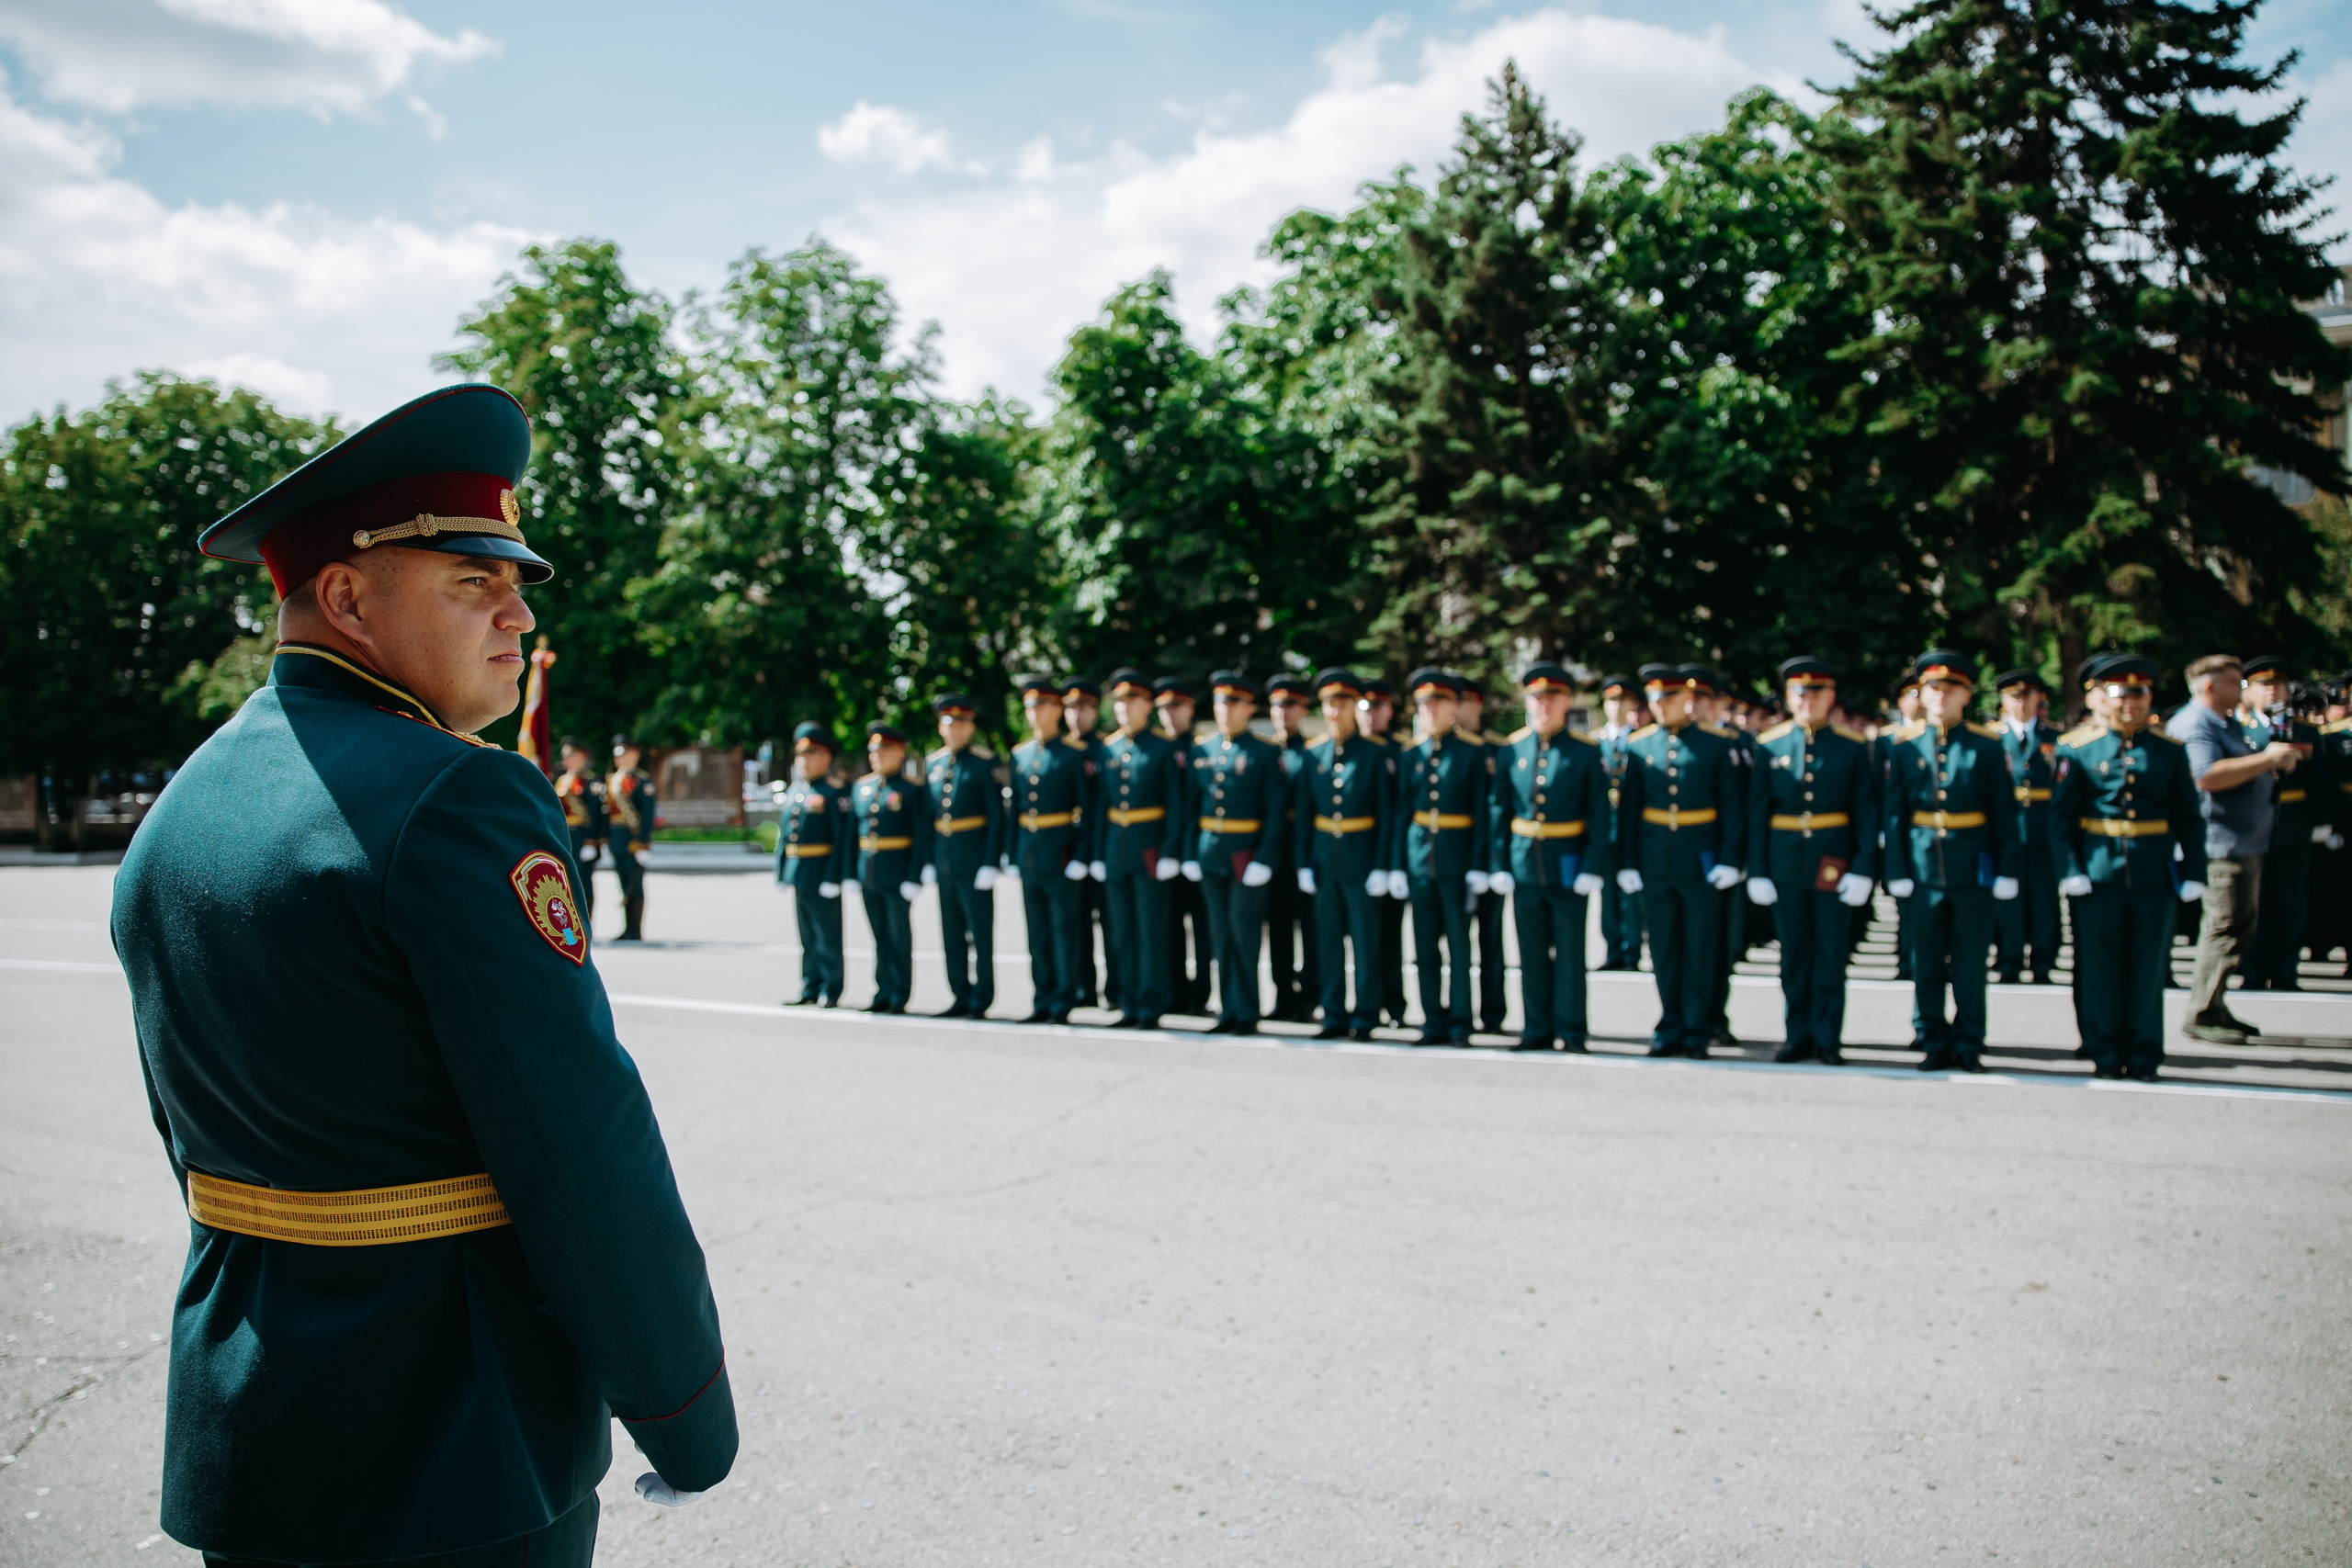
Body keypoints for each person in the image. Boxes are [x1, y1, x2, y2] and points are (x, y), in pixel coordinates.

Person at [116, 382, 734, 1567]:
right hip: (454, 1435)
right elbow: (577, 1142)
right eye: (470, 581)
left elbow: (192, 1131)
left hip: (247, 1428)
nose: (519, 615)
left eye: (516, 585)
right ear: (346, 597)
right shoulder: (456, 796)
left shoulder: (184, 806)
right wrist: (683, 1408)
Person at [2055, 656, 2206, 1077]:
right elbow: (2062, 818)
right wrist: (2070, 868)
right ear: (2103, 698)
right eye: (2121, 694)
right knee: (2099, 968)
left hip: (2153, 872)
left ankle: (2143, 1053)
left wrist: (2195, 871)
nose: (2131, 703)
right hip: (2098, 873)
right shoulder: (2077, 748)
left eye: (2139, 694)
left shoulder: (2169, 750)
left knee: (2148, 968)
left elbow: (2188, 817)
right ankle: (2104, 1051)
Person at [1881, 650, 2020, 1072]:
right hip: (1922, 868)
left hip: (1972, 869)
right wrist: (1896, 869)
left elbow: (2004, 813)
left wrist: (2007, 869)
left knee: (1970, 961)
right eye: (1933, 688)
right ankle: (1931, 1037)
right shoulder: (1904, 746)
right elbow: (1894, 814)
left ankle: (1969, 1040)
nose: (1941, 696)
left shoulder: (1987, 745)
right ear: (1922, 694)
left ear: (1966, 695)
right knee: (1925, 960)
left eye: (1951, 689)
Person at [1747, 657, 1880, 1064]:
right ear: (1789, 698)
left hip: (1833, 862)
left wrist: (1864, 867)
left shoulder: (1852, 747)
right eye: (1800, 693)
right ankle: (1797, 1035)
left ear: (1831, 697)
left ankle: (1827, 1038)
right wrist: (1758, 870)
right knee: (1793, 955)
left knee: (1830, 953)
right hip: (1786, 862)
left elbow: (1867, 812)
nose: (1809, 700)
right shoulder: (1769, 745)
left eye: (1817, 693)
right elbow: (1757, 813)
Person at [1617, 664, 1746, 1057]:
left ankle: (1697, 1028)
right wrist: (1627, 862)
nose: (1660, 705)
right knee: (1663, 947)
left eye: (1668, 698)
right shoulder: (1639, 745)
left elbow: (1732, 807)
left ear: (1687, 699)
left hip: (1701, 860)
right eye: (1654, 698)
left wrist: (1730, 859)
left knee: (1701, 947)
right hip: (1656, 859)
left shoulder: (1716, 744)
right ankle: (1669, 1024)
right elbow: (1628, 811)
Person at [2172, 655, 2300, 1043]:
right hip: (2221, 843)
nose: (2241, 688)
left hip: (2241, 840)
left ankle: (2214, 1004)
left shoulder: (2224, 721)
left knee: (2238, 927)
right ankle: (2202, 1011)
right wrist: (2266, 759)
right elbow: (2205, 776)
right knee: (2224, 927)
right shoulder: (2196, 724)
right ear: (2211, 686)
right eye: (2234, 681)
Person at [1491, 662, 1612, 1051]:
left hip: (1569, 865)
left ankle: (1572, 1029)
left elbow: (1599, 813)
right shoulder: (1512, 749)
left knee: (1571, 952)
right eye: (1537, 698)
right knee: (1530, 953)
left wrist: (1593, 865)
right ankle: (1536, 1028)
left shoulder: (1585, 751)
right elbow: (1499, 809)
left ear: (1567, 702)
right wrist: (1499, 864)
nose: (1544, 705)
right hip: (1525, 866)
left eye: (1553, 698)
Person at [1296, 669, 1399, 1041]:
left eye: (1342, 704)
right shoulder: (1314, 753)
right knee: (1327, 942)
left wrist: (1383, 865)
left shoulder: (1374, 753)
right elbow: (1305, 814)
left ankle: (1366, 1014)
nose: (1335, 712)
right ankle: (1333, 1013)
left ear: (1355, 706)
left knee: (1365, 941)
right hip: (1325, 859)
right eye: (1329, 704)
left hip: (1362, 858)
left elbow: (1387, 815)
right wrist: (1303, 862)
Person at [1186, 671, 1286, 1033]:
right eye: (1220, 703)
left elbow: (1275, 812)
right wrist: (1189, 852)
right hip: (1210, 853)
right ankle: (1227, 1009)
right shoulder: (1203, 749)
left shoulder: (1265, 751)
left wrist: (1265, 857)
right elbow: (1190, 806)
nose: (1225, 710)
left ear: (1248, 708)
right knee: (1220, 935)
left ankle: (1246, 1011)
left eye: (1233, 703)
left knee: (1244, 934)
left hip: (1246, 853)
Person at [1398, 669, 1493, 1044]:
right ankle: (1431, 1021)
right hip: (1420, 859)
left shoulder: (1472, 751)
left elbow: (1483, 814)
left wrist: (1479, 864)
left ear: (1453, 706)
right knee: (1424, 948)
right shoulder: (1411, 753)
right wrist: (1397, 865)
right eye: (1424, 704)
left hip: (1457, 859)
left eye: (1437, 702)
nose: (1430, 710)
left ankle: (1460, 1021)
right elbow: (1401, 814)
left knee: (1458, 946)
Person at [1095, 670, 1186, 1028]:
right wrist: (1098, 853)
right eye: (1119, 702)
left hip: (1150, 848)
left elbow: (1176, 804)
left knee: (1151, 930)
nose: (1124, 708)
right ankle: (1129, 1001)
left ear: (1148, 705)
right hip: (1116, 848)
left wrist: (1170, 850)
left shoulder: (1164, 747)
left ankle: (1151, 1002)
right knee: (1122, 930)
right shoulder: (1109, 748)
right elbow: (1099, 806)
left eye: (1131, 701)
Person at [1009, 674, 1098, 1025]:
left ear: (1058, 709)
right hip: (1030, 852)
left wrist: (1082, 854)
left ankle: (1064, 996)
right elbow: (1014, 811)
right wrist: (1011, 854)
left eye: (1042, 705)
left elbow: (1088, 810)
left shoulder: (1073, 754)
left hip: (1062, 852)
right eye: (1030, 706)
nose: (1035, 713)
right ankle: (1042, 996)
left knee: (1064, 928)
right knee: (1037, 932)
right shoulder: (1020, 754)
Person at [2236, 654, 2329, 990]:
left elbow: (2320, 780)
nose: (2272, 691)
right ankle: (2253, 969)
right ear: (2250, 690)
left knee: (2291, 901)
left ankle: (2286, 970)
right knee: (2254, 900)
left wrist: (2323, 820)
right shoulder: (2239, 729)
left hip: (2293, 821)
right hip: (2252, 824)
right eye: (2263, 685)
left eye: (2277, 684)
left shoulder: (2304, 730)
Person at [925, 692, 1008, 1019]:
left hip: (974, 861)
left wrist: (990, 862)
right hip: (945, 860)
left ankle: (982, 996)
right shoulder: (933, 763)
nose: (955, 729)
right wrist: (929, 860)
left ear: (971, 726)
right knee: (951, 933)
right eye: (949, 723)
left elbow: (995, 817)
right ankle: (959, 993)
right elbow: (928, 818)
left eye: (962, 723)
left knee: (980, 934)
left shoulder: (984, 762)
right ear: (940, 727)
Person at [846, 722, 928, 1014]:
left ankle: (899, 994)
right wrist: (850, 873)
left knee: (898, 937)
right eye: (873, 751)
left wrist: (915, 875)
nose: (877, 756)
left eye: (884, 750)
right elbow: (852, 835)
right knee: (879, 937)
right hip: (868, 873)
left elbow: (920, 836)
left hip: (898, 873)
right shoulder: (862, 787)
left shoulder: (911, 790)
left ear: (900, 752)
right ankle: (882, 991)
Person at [1990, 669, 2064, 985]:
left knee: (2044, 900)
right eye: (2014, 696)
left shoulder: (2056, 738)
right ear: (2004, 700)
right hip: (2005, 829)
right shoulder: (1992, 738)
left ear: (2039, 699)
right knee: (2007, 899)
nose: (2021, 702)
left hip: (2043, 830)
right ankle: (2008, 959)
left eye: (2027, 695)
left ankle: (2043, 962)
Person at [1450, 674, 1512, 1033]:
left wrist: (1496, 861)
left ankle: (1493, 1012)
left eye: (1461, 701)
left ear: (1478, 704)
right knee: (1454, 938)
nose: (1454, 709)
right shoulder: (1446, 747)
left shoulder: (1498, 748)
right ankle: (1456, 1010)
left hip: (1489, 857)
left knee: (1490, 938)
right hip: (1455, 856)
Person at [775, 722, 853, 1007]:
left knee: (827, 936)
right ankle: (810, 985)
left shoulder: (834, 792)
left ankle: (831, 988)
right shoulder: (796, 791)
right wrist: (782, 871)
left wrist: (835, 876)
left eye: (811, 755)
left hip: (822, 873)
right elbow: (785, 836)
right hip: (799, 872)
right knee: (807, 937)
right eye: (800, 755)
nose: (803, 761)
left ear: (826, 757)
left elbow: (841, 839)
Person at [1155, 676, 1215, 1015]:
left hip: (1194, 852)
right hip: (1162, 852)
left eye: (1176, 707)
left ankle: (1200, 993)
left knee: (1203, 927)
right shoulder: (1157, 747)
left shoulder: (1202, 749)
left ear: (1190, 708)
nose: (1169, 714)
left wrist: (1189, 851)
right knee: (1168, 925)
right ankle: (1174, 989)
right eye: (1163, 708)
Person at [1262, 673, 1320, 1021]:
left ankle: (1310, 996)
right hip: (1273, 852)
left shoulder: (1311, 752)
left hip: (1304, 850)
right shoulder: (1265, 751)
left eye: (1291, 705)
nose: (1283, 712)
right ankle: (1283, 994)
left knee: (1311, 928)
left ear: (1303, 710)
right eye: (1277, 706)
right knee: (1278, 928)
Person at [1358, 675, 1414, 1025]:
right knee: (1361, 939)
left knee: (1389, 935)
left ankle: (1393, 1003)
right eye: (1364, 707)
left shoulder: (1401, 750)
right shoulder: (1350, 748)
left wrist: (1394, 863)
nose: (1370, 714)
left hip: (1390, 855)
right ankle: (1365, 1003)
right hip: (1357, 855)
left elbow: (1400, 811)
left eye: (1377, 707)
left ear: (1390, 710)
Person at [1060, 675, 1111, 1009]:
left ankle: (1116, 987)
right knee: (1075, 922)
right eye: (1071, 708)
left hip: (1103, 847)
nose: (1077, 715)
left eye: (1084, 708)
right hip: (1071, 848)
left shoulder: (1105, 748)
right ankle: (1083, 986)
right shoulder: (1063, 750)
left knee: (1112, 922)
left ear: (1095, 710)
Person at [1591, 674, 1647, 972]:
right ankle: (1612, 949)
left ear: (1632, 705)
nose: (1616, 707)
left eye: (1623, 701)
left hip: (1633, 827)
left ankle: (1632, 950)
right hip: (1604, 828)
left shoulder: (1642, 740)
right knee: (1607, 892)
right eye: (1612, 701)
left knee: (1632, 891)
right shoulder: (1594, 742)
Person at [1874, 675, 1925, 984]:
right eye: (1912, 694)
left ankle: (1925, 959)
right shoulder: (1887, 739)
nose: (1918, 700)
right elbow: (1879, 787)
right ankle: (1906, 957)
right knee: (1903, 901)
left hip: (1927, 830)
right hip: (1897, 828)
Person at [554, 736, 606, 934]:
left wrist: (593, 841)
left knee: (583, 882)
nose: (566, 760)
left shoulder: (591, 782)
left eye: (571, 756)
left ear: (583, 757)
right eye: (565, 756)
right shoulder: (561, 780)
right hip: (565, 837)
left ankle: (586, 924)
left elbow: (597, 814)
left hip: (584, 837)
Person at [606, 735, 656, 941]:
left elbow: (648, 815)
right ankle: (627, 928)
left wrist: (644, 842)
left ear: (635, 754)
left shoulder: (642, 781)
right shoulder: (613, 780)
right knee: (624, 883)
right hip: (616, 838)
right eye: (617, 755)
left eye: (624, 754)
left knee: (634, 884)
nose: (619, 759)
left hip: (634, 840)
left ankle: (635, 929)